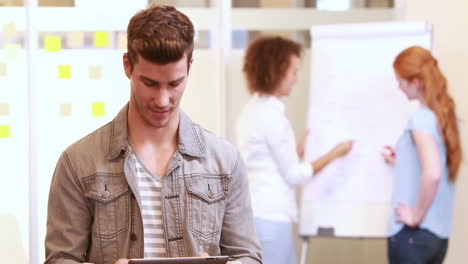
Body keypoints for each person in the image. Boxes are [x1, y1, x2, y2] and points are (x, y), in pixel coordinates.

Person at [44, 5, 261, 264]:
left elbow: (248, 257)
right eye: (150, 83)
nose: (162, 100)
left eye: (174, 83)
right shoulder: (78, 162)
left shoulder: (225, 161)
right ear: (127, 65)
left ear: (190, 66)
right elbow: (60, 258)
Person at [236, 36, 353, 264]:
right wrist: (334, 153)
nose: (296, 80)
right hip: (271, 218)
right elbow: (294, 175)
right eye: (293, 72)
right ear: (276, 72)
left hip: (257, 214)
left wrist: (296, 149)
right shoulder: (272, 117)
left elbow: (266, 161)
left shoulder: (251, 111)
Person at [383, 46, 462, 264]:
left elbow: (433, 173)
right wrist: (400, 161)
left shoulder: (420, 120)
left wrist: (416, 216)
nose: (399, 87)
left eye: (401, 81)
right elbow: (435, 164)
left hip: (411, 237)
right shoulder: (448, 121)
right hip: (437, 239)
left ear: (416, 82)